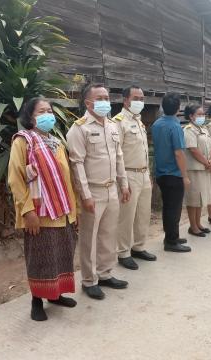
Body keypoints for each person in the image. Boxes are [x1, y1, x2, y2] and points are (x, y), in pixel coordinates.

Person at [8, 98, 78, 321]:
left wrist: (74, 212)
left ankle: (55, 295)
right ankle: (36, 301)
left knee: (62, 254)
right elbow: (15, 179)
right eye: (42, 111)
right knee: (40, 258)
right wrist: (28, 212)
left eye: (50, 111)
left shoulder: (56, 142)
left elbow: (66, 179)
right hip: (40, 213)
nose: (48, 114)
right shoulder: (23, 141)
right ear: (30, 117)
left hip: (63, 210)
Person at [66, 83, 130, 300]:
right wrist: (85, 195)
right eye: (100, 98)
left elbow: (119, 157)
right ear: (88, 103)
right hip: (93, 191)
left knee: (108, 234)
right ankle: (89, 280)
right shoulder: (79, 128)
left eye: (106, 97)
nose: (105, 101)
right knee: (89, 237)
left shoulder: (112, 125)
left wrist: (124, 184)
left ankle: (105, 273)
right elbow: (77, 164)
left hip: (112, 188)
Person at [113, 85, 156, 271]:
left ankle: (139, 246)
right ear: (125, 100)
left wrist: (148, 174)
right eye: (136, 98)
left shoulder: (139, 121)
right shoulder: (118, 122)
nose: (140, 101)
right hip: (128, 174)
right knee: (126, 216)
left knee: (143, 213)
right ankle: (123, 252)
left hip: (144, 173)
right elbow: (117, 154)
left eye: (142, 98)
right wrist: (122, 182)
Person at [151, 92, 191, 253]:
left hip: (160, 172)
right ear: (178, 108)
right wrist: (185, 176)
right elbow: (179, 153)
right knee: (174, 208)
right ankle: (171, 241)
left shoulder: (156, 124)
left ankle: (171, 235)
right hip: (173, 173)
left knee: (168, 207)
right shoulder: (175, 126)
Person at [183, 104, 211, 237]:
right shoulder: (188, 130)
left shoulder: (204, 129)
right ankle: (193, 226)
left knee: (202, 198)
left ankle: (199, 223)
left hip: (205, 168)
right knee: (194, 198)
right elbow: (193, 149)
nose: (202, 117)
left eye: (203, 114)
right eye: (199, 114)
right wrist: (207, 163)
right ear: (191, 116)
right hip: (195, 169)